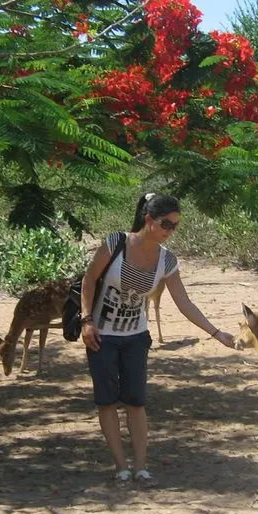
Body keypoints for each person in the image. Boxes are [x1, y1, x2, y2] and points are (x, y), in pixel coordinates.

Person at [79, 191, 235, 485]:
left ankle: (140, 466)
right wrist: (87, 321)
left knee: (136, 402)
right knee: (107, 402)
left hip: (136, 337)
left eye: (175, 226)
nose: (170, 231)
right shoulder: (116, 243)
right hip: (101, 335)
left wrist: (216, 333)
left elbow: (184, 302)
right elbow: (89, 281)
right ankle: (121, 466)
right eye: (166, 224)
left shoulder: (167, 261)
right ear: (148, 220)